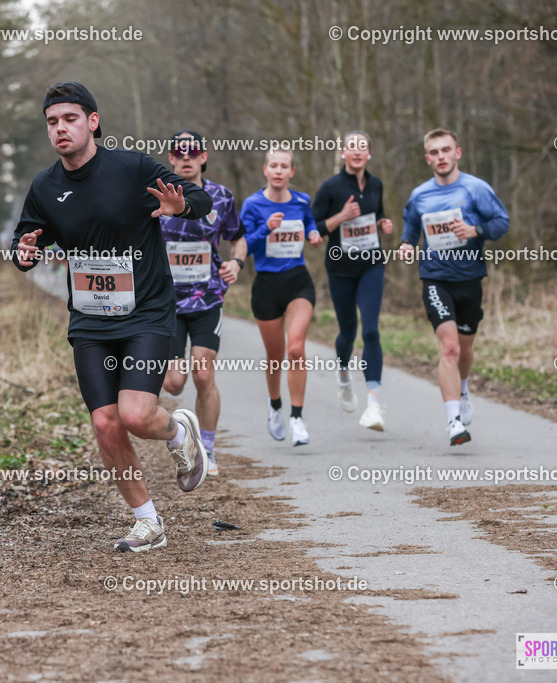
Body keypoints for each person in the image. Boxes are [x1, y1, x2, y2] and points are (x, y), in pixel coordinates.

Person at [12, 82, 214, 551]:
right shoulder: (45, 186)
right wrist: (23, 255)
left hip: (145, 311)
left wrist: (181, 205)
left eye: (69, 119)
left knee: (137, 415)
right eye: (52, 122)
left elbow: (197, 202)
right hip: (89, 318)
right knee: (105, 422)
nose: (60, 129)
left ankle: (178, 429)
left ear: (92, 122)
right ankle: (147, 521)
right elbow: (27, 245)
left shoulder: (132, 167)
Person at [398, 128, 510, 446]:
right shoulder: (420, 194)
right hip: (435, 278)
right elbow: (410, 224)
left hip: (470, 279)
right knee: (449, 347)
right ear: (427, 158)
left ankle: (463, 389)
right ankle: (453, 423)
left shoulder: (476, 189)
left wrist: (475, 229)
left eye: (446, 150)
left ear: (457, 153)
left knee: (465, 347)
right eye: (434, 152)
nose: (441, 157)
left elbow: (502, 222)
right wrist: (406, 244)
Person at [160, 130, 248, 476]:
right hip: (166, 302)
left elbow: (238, 238)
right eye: (178, 152)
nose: (185, 157)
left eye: (192, 152)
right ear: (170, 158)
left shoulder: (221, 197)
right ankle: (185, 433)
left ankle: (207, 448)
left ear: (203, 156)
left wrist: (236, 263)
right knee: (174, 383)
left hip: (207, 297)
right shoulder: (156, 194)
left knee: (202, 371)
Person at [240, 149, 323, 446]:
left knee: (296, 349)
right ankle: (275, 404)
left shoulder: (301, 201)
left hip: (298, 282)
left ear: (292, 172)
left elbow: (310, 222)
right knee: (275, 357)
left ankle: (297, 418)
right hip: (266, 287)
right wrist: (266, 229)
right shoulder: (252, 204)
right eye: (273, 165)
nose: (278, 171)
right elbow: (243, 246)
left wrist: (313, 235)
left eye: (283, 166)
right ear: (265, 169)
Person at [312, 131, 394, 431]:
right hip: (341, 270)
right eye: (351, 147)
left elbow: (379, 214)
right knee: (348, 332)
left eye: (363, 147)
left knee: (371, 331)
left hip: (372, 265)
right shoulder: (331, 187)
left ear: (369, 154)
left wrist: (384, 223)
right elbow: (315, 229)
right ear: (343, 153)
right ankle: (344, 374)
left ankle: (374, 405)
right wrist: (341, 216)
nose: (357, 152)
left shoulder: (376, 184)